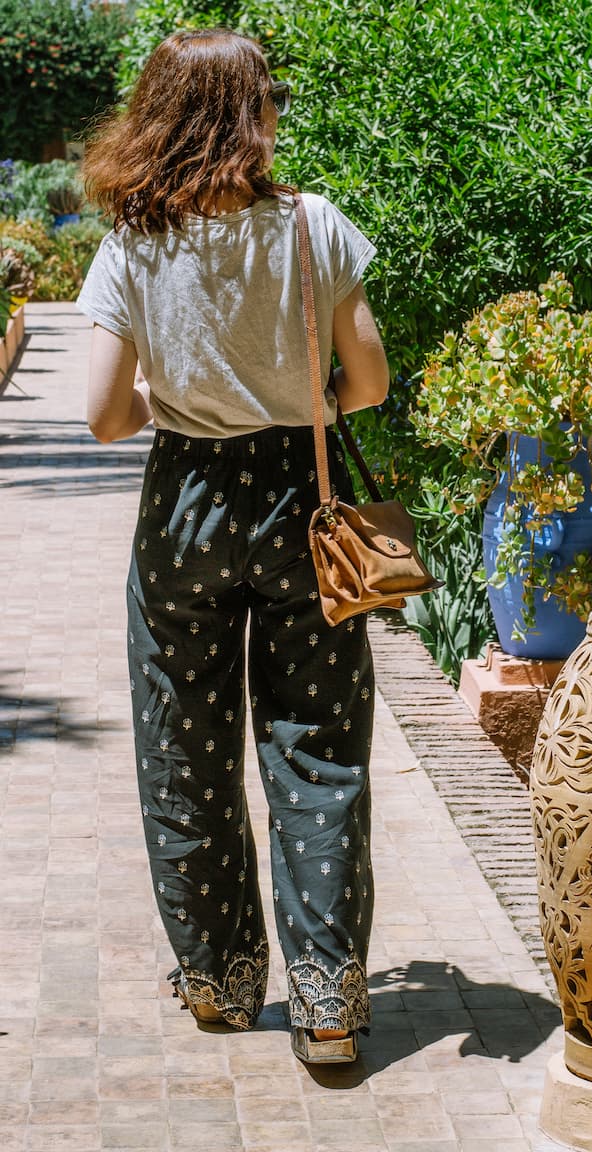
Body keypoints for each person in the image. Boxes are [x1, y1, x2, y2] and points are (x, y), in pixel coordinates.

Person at [77, 27, 389, 1065]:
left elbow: (103, 418)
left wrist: (185, 391)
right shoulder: (314, 228)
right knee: (318, 746)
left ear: (158, 111)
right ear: (254, 113)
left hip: (186, 509)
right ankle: (330, 1006)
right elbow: (373, 381)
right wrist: (294, 398)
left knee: (187, 747)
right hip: (304, 505)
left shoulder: (134, 241)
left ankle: (218, 982)